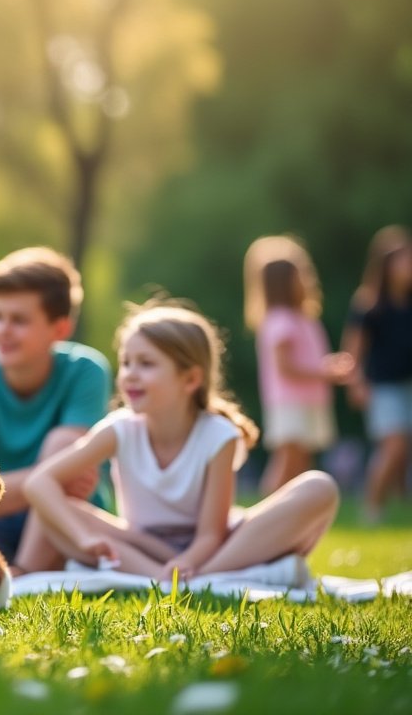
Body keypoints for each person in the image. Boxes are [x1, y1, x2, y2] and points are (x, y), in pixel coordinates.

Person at [25, 303, 339, 584]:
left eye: (146, 364)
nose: (130, 375)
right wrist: (82, 539)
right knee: (54, 513)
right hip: (141, 546)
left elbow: (210, 535)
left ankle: (200, 577)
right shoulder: (119, 429)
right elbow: (39, 481)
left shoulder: (219, 435)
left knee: (319, 488)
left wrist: (188, 562)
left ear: (190, 380)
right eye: (126, 363)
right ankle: (176, 579)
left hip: (213, 549)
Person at [0, 246, 111, 574]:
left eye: (18, 320)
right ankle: (22, 571)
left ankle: (26, 572)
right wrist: (50, 479)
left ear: (59, 328)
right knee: (63, 461)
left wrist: (48, 478)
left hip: (68, 521)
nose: (3, 329)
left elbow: (73, 478)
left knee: (63, 446)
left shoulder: (87, 371)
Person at [243, 235, 353, 496]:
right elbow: (286, 368)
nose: (305, 281)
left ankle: (292, 517)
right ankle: (265, 515)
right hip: (289, 401)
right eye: (299, 276)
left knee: (301, 464)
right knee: (288, 460)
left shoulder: (301, 318)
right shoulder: (280, 321)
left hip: (307, 399)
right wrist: (324, 371)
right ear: (283, 283)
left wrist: (326, 366)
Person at [342, 226, 412, 524]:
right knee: (393, 446)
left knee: (403, 452)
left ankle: (398, 506)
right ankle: (371, 507)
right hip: (383, 388)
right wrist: (355, 384)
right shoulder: (369, 304)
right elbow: (352, 352)